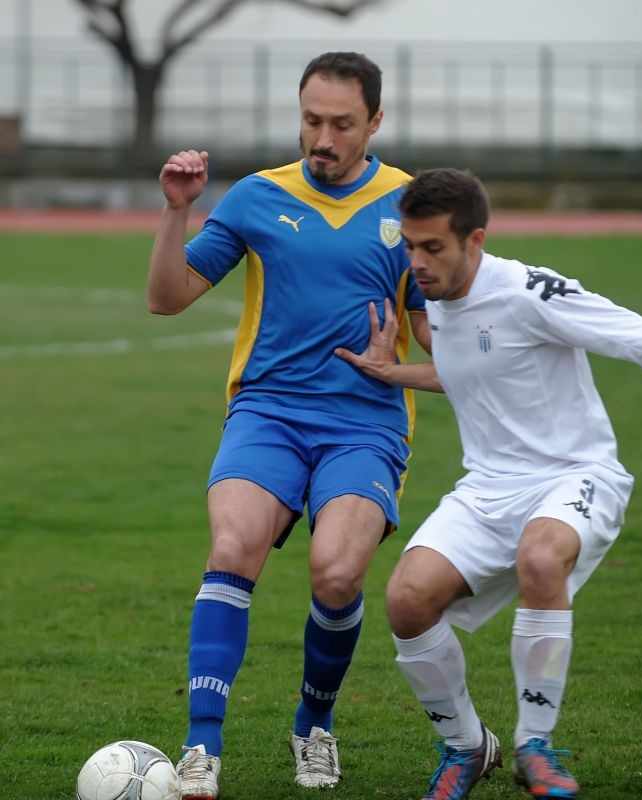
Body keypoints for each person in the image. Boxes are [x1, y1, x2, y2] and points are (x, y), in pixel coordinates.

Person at [334, 167, 642, 799]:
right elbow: (476, 371)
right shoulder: (441, 299)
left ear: (475, 241)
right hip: (488, 486)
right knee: (407, 600)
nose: (417, 263)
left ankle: (535, 746)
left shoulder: (531, 292)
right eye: (409, 247)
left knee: (541, 557)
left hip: (576, 474)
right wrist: (397, 374)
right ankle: (468, 748)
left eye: (433, 248)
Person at [147, 52, 430, 798]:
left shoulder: (411, 206)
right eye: (311, 120)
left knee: (337, 572)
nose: (323, 138)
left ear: (375, 121)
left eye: (341, 124)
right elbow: (167, 297)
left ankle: (314, 724)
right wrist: (178, 211)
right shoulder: (255, 197)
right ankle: (200, 747)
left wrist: (412, 351)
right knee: (232, 544)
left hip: (365, 424)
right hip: (267, 414)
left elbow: (443, 342)